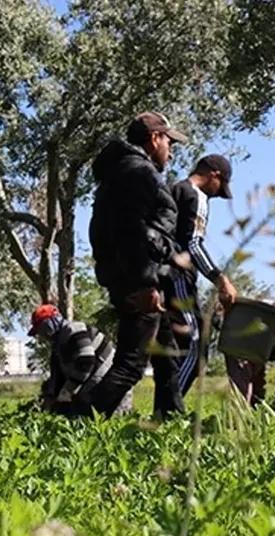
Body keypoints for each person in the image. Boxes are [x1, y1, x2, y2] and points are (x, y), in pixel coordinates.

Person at [86, 111, 186, 417]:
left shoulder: (124, 172)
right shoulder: (135, 172)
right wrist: (145, 283)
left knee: (167, 355)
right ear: (155, 138)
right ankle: (75, 425)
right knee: (131, 364)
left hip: (138, 274)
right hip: (138, 279)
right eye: (169, 141)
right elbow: (130, 232)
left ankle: (170, 418)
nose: (171, 149)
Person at [155, 154, 240, 416]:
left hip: (159, 275)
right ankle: (169, 412)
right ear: (214, 175)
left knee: (170, 349)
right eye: (220, 187)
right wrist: (220, 279)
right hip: (178, 276)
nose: (217, 194)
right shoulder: (196, 196)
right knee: (196, 342)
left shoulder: (173, 190)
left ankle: (165, 409)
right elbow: (193, 245)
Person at [28, 304, 128, 414]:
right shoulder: (59, 345)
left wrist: (67, 391)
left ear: (49, 325)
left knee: (110, 423)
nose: (41, 336)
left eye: (40, 330)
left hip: (110, 383)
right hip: (99, 385)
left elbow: (86, 360)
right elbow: (58, 378)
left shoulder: (74, 329)